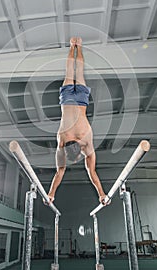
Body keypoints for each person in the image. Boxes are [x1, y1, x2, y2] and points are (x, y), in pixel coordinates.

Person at [47, 37, 110, 205]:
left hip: (81, 101)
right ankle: (74, 46)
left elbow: (91, 172)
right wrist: (50, 193)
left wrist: (102, 194)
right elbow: (60, 171)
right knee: (71, 71)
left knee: (78, 72)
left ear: (79, 153)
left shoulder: (86, 143)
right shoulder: (62, 140)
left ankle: (78, 46)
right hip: (67, 99)